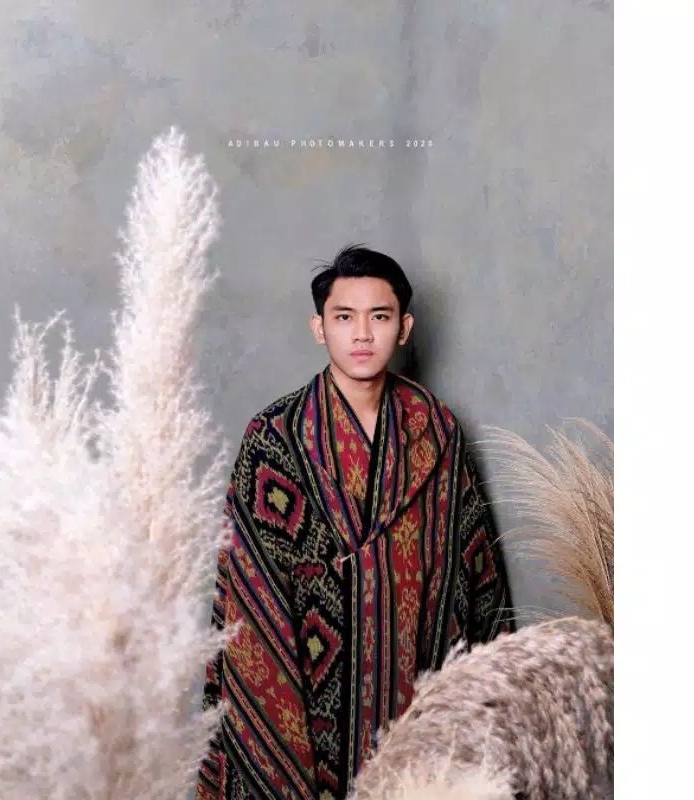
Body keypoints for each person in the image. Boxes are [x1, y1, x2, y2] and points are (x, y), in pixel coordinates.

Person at [196, 245, 514, 800]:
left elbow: (473, 565)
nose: (362, 334)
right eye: (344, 317)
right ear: (319, 328)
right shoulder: (275, 438)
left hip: (415, 692)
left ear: (404, 328)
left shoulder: (437, 430)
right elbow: (251, 593)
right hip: (310, 695)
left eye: (379, 317)